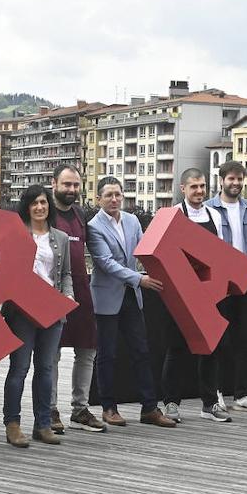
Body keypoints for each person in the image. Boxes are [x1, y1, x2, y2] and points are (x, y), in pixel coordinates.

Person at [86, 176, 176, 429]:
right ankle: (108, 407)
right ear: (98, 199)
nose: (114, 199)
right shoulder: (93, 226)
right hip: (107, 297)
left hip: (131, 297)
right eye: (108, 195)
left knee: (141, 351)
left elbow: (144, 251)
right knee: (107, 355)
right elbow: (105, 263)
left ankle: (149, 407)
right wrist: (139, 279)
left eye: (118, 194)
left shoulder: (133, 220)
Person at [158, 169, 233, 423]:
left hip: (209, 292)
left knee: (211, 348)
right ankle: (171, 403)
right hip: (181, 292)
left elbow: (220, 253)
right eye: (194, 187)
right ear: (183, 189)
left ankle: (210, 403)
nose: (199, 191)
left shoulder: (214, 214)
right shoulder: (173, 215)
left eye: (202, 186)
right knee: (176, 349)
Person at [2, 185, 73, 447]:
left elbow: (66, 274)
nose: (40, 207)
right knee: (19, 368)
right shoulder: (15, 235)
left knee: (45, 369)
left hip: (52, 310)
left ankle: (42, 424)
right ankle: (12, 423)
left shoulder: (61, 238)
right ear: (27, 207)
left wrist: (68, 296)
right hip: (22, 311)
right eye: (34, 203)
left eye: (43, 202)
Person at [205, 161, 247, 413]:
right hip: (220, 285)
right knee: (220, 341)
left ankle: (243, 394)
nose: (236, 183)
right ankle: (218, 393)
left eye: (240, 179)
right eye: (231, 179)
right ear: (221, 180)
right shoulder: (209, 208)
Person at [50, 164, 104, 433]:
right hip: (51, 292)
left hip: (82, 289)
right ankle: (49, 409)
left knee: (87, 349)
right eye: (66, 185)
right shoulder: (43, 212)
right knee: (52, 354)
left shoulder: (81, 214)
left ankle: (80, 409)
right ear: (54, 184)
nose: (71, 190)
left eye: (75, 185)